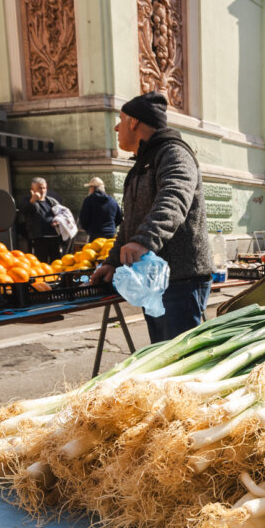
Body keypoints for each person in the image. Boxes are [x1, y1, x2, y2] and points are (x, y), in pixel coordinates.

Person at [91, 91, 212, 341]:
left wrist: (144, 241)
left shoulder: (174, 154)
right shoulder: (142, 164)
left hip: (181, 280)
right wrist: (112, 262)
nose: (116, 127)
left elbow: (174, 198)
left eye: (120, 119)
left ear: (134, 122)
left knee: (179, 358)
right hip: (154, 280)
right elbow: (130, 223)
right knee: (162, 355)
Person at [15, 177, 63, 262]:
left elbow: (61, 214)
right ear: (32, 190)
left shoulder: (51, 201)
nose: (43, 190)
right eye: (40, 188)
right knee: (40, 263)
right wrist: (33, 200)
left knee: (56, 263)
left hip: (54, 238)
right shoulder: (28, 200)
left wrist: (58, 222)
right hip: (39, 239)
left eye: (44, 188)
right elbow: (23, 210)